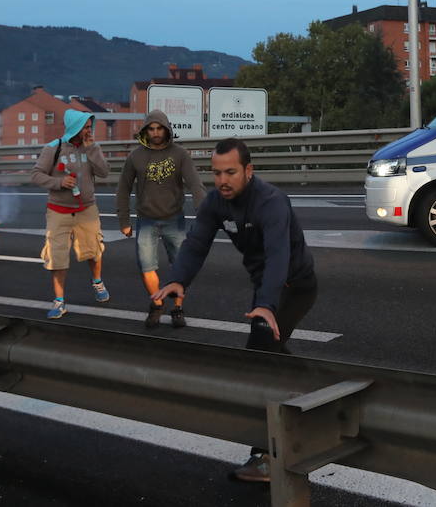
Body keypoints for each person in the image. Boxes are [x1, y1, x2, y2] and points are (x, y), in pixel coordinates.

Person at [153, 138, 318, 484]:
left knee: (258, 354)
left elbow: (278, 257)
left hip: (293, 285)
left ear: (248, 170)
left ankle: (266, 456)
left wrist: (266, 305)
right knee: (269, 353)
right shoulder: (216, 202)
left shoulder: (271, 202)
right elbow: (196, 242)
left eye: (230, 172)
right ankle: (317, 391)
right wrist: (178, 279)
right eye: (216, 173)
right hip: (264, 286)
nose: (222, 180)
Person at [115, 110, 207, 329]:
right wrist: (124, 220)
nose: (156, 133)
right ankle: (157, 304)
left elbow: (195, 184)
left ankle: (177, 308)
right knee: (146, 266)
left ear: (166, 129)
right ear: (145, 131)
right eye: (151, 129)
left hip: (174, 218)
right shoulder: (135, 156)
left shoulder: (180, 154)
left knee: (181, 266)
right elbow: (123, 188)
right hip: (146, 219)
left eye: (159, 128)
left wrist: (204, 214)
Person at [30, 109, 110, 319]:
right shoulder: (53, 148)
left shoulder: (92, 147)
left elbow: (104, 172)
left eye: (90, 126)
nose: (89, 130)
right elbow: (36, 175)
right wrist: (58, 182)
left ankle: (97, 281)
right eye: (85, 127)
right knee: (57, 256)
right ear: (75, 127)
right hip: (58, 210)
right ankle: (59, 301)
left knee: (94, 250)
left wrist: (92, 149)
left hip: (87, 209)